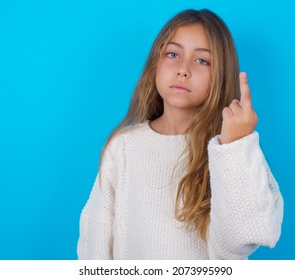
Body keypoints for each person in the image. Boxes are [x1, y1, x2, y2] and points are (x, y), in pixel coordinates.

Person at [77, 8, 283, 260]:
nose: (183, 69)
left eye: (202, 60)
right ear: (155, 64)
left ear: (220, 75)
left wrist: (234, 146)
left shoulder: (230, 150)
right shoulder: (123, 147)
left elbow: (242, 239)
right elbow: (96, 239)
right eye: (173, 54)